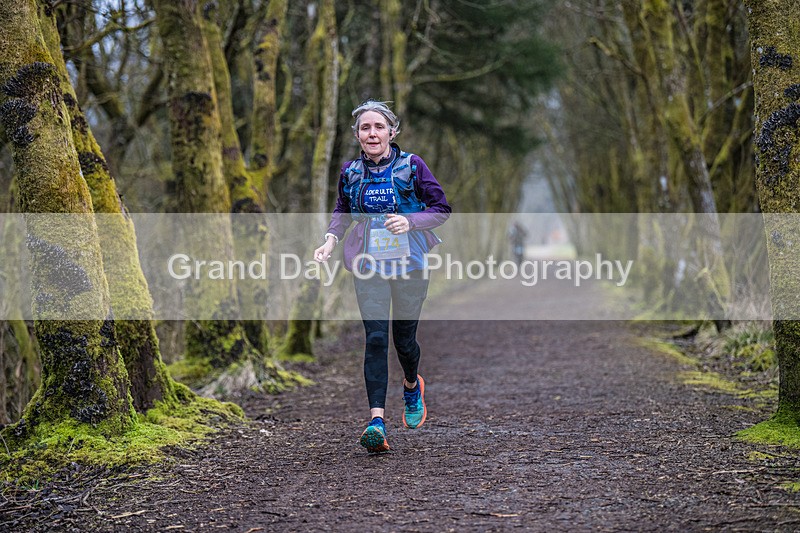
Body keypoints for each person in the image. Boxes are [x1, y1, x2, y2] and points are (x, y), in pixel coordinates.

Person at [314, 100, 451, 453]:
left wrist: (410, 221)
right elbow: (343, 210)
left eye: (378, 127)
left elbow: (441, 209)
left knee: (404, 341)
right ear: (357, 135)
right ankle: (376, 420)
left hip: (410, 263)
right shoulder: (350, 172)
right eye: (365, 128)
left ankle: (411, 385)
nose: (372, 133)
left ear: (392, 131)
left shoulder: (411, 165)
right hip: (368, 263)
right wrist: (330, 240)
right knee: (375, 337)